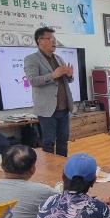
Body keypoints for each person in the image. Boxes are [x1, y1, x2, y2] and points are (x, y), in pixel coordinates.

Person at [24, 27, 75, 156]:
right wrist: (53, 75)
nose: (54, 42)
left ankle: (62, 168)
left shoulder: (58, 58)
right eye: (51, 39)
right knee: (48, 142)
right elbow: (33, 80)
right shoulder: (31, 59)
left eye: (55, 39)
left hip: (64, 108)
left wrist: (69, 75)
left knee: (63, 141)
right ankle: (50, 172)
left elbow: (67, 81)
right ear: (40, 41)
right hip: (47, 110)